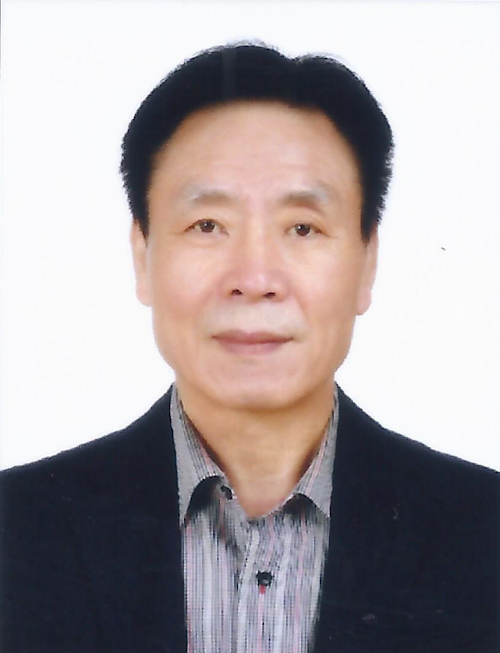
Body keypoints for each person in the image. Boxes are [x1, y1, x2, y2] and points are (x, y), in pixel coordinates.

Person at [0, 43, 498, 653]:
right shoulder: (17, 529)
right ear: (143, 255)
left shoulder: (484, 533)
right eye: (208, 225)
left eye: (303, 228)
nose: (256, 278)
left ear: (367, 262)